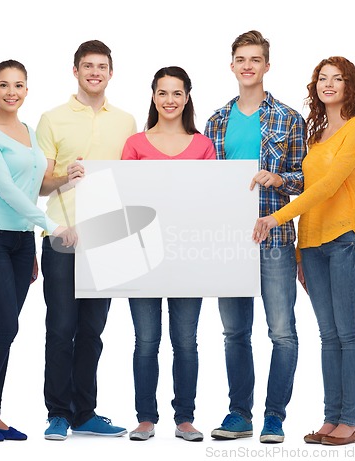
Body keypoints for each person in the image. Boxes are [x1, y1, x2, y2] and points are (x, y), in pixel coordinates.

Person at [253, 56, 355, 446]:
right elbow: (309, 193)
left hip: (346, 241)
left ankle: (349, 422)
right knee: (328, 335)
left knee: (349, 333)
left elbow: (325, 188)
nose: (329, 84)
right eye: (323, 78)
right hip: (314, 245)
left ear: (349, 87)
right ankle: (330, 417)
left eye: (338, 79)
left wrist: (275, 218)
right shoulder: (315, 135)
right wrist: (302, 253)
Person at [0, 60, 76, 442]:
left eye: (19, 85)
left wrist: (29, 242)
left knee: (3, 330)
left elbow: (33, 187)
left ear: (27, 90)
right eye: (4, 85)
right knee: (3, 326)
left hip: (18, 240)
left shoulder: (29, 131)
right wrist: (51, 225)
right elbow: (8, 190)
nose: (11, 91)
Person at [204, 30, 306, 443]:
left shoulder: (288, 118)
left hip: (276, 238)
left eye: (255, 59)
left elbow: (305, 182)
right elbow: (204, 185)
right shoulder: (215, 121)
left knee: (281, 331)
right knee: (234, 333)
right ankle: (238, 414)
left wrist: (279, 177)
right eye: (241, 59)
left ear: (266, 66)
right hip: (230, 241)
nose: (248, 66)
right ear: (232, 66)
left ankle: (274, 417)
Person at [36, 40, 137, 441]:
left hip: (108, 239)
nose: (94, 72)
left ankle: (85, 412)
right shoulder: (52, 119)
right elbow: (40, 185)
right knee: (61, 328)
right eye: (87, 66)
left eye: (102, 66)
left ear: (111, 73)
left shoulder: (127, 122)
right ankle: (58, 413)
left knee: (93, 331)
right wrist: (65, 178)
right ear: (75, 71)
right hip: (62, 235)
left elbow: (133, 181)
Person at [121, 66, 215, 442]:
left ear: (187, 96)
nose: (170, 100)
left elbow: (210, 201)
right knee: (145, 341)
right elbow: (126, 200)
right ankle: (145, 418)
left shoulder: (203, 145)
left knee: (185, 342)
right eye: (163, 92)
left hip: (187, 255)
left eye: (177, 93)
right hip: (143, 255)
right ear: (153, 96)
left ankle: (185, 418)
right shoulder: (135, 144)